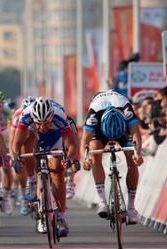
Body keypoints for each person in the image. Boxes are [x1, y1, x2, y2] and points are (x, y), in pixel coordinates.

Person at [13, 97, 79, 237]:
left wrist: (69, 159)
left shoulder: (59, 118)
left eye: (46, 123)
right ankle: (32, 180)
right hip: (33, 134)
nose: (43, 127)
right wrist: (16, 158)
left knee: (57, 171)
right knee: (26, 146)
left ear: (51, 117)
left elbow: (72, 145)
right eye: (40, 123)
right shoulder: (25, 117)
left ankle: (60, 217)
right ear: (34, 119)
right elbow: (16, 144)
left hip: (55, 135)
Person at [81, 90, 143, 225]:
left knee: (132, 160)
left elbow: (137, 134)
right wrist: (85, 159)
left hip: (122, 127)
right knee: (94, 153)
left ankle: (131, 207)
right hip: (100, 128)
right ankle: (102, 201)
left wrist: (138, 154)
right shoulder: (94, 114)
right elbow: (84, 140)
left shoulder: (127, 110)